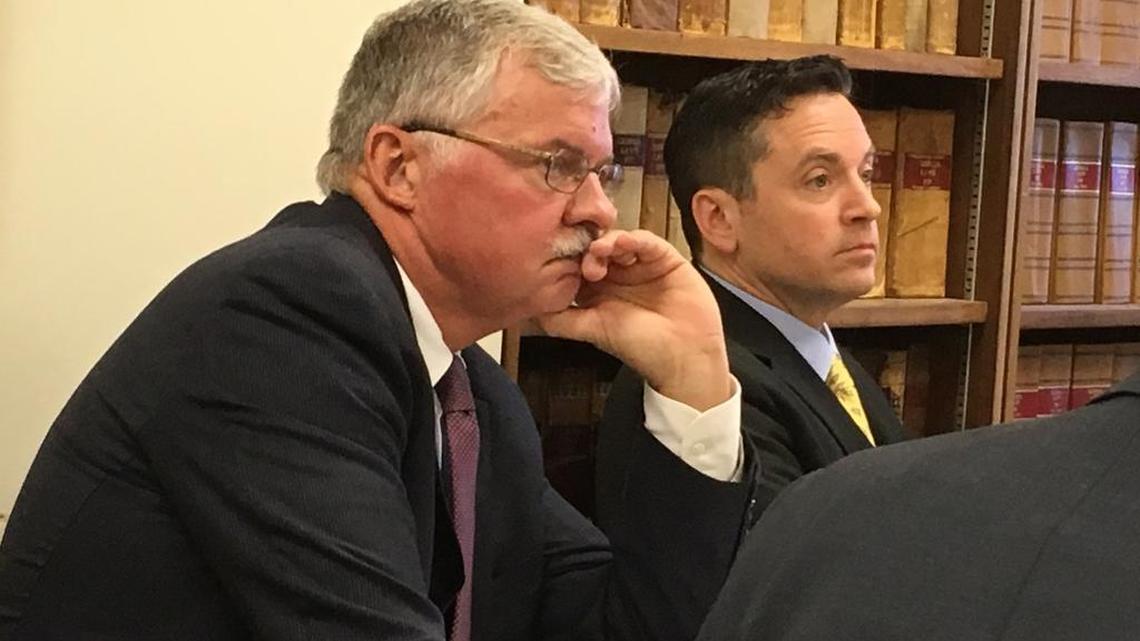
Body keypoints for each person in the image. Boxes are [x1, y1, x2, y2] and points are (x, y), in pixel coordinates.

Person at [0, 2, 757, 640]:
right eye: (557, 164)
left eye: (602, 172)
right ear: (400, 168)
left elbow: (620, 628)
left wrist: (694, 383)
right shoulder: (283, 314)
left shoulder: (475, 396)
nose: (596, 210)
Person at [599, 56, 906, 531]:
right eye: (820, 180)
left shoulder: (826, 360)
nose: (868, 206)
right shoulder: (699, 387)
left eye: (864, 174)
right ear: (719, 219)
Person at [697, 371, 1140, 640]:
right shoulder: (833, 502)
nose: (865, 210)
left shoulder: (839, 495)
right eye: (815, 206)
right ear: (717, 216)